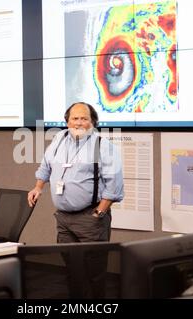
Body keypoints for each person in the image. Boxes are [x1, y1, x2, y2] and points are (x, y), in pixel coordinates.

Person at [28, 102, 124, 298]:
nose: (79, 123)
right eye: (75, 118)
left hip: (90, 218)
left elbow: (114, 185)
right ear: (67, 121)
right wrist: (38, 187)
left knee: (93, 273)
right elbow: (46, 166)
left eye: (84, 118)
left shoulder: (104, 147)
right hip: (63, 219)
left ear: (93, 122)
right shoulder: (59, 139)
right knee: (72, 270)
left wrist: (99, 212)